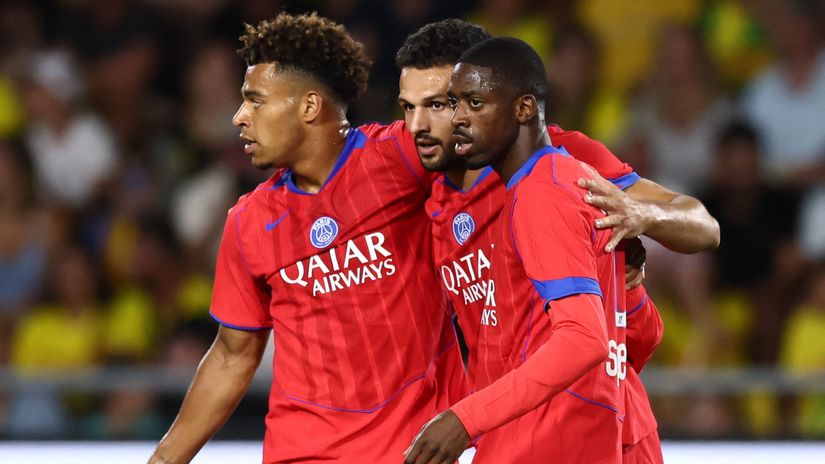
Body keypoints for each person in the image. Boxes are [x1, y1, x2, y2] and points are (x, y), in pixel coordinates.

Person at [149, 13, 466, 463]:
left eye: (255, 101)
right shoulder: (249, 220)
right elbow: (232, 355)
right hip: (302, 454)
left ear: (310, 107)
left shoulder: (402, 157)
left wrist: (604, 178)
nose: (239, 117)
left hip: (414, 450)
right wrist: (163, 460)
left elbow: (516, 145)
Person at [396, 20, 715, 463]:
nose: (421, 125)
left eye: (443, 103)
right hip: (516, 432)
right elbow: (636, 335)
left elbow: (704, 226)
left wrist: (641, 215)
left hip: (575, 430)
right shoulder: (433, 203)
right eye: (408, 108)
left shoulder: (561, 168)